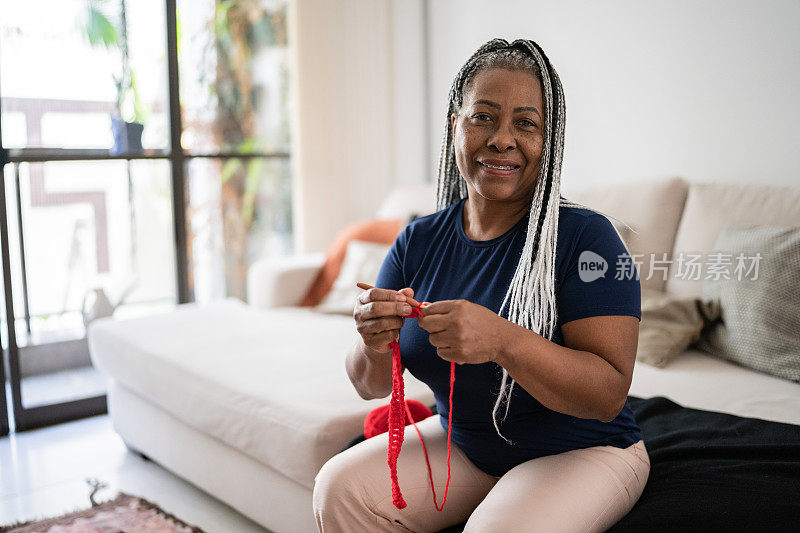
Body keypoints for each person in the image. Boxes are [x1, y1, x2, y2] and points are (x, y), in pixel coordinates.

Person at [313, 38, 650, 533]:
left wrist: (503, 340)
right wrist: (374, 339)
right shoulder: (418, 240)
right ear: (456, 126)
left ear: (548, 141)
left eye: (526, 124)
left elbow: (607, 395)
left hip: (583, 450)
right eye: (484, 117)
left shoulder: (586, 238)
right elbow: (370, 385)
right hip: (467, 445)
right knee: (339, 490)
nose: (502, 139)